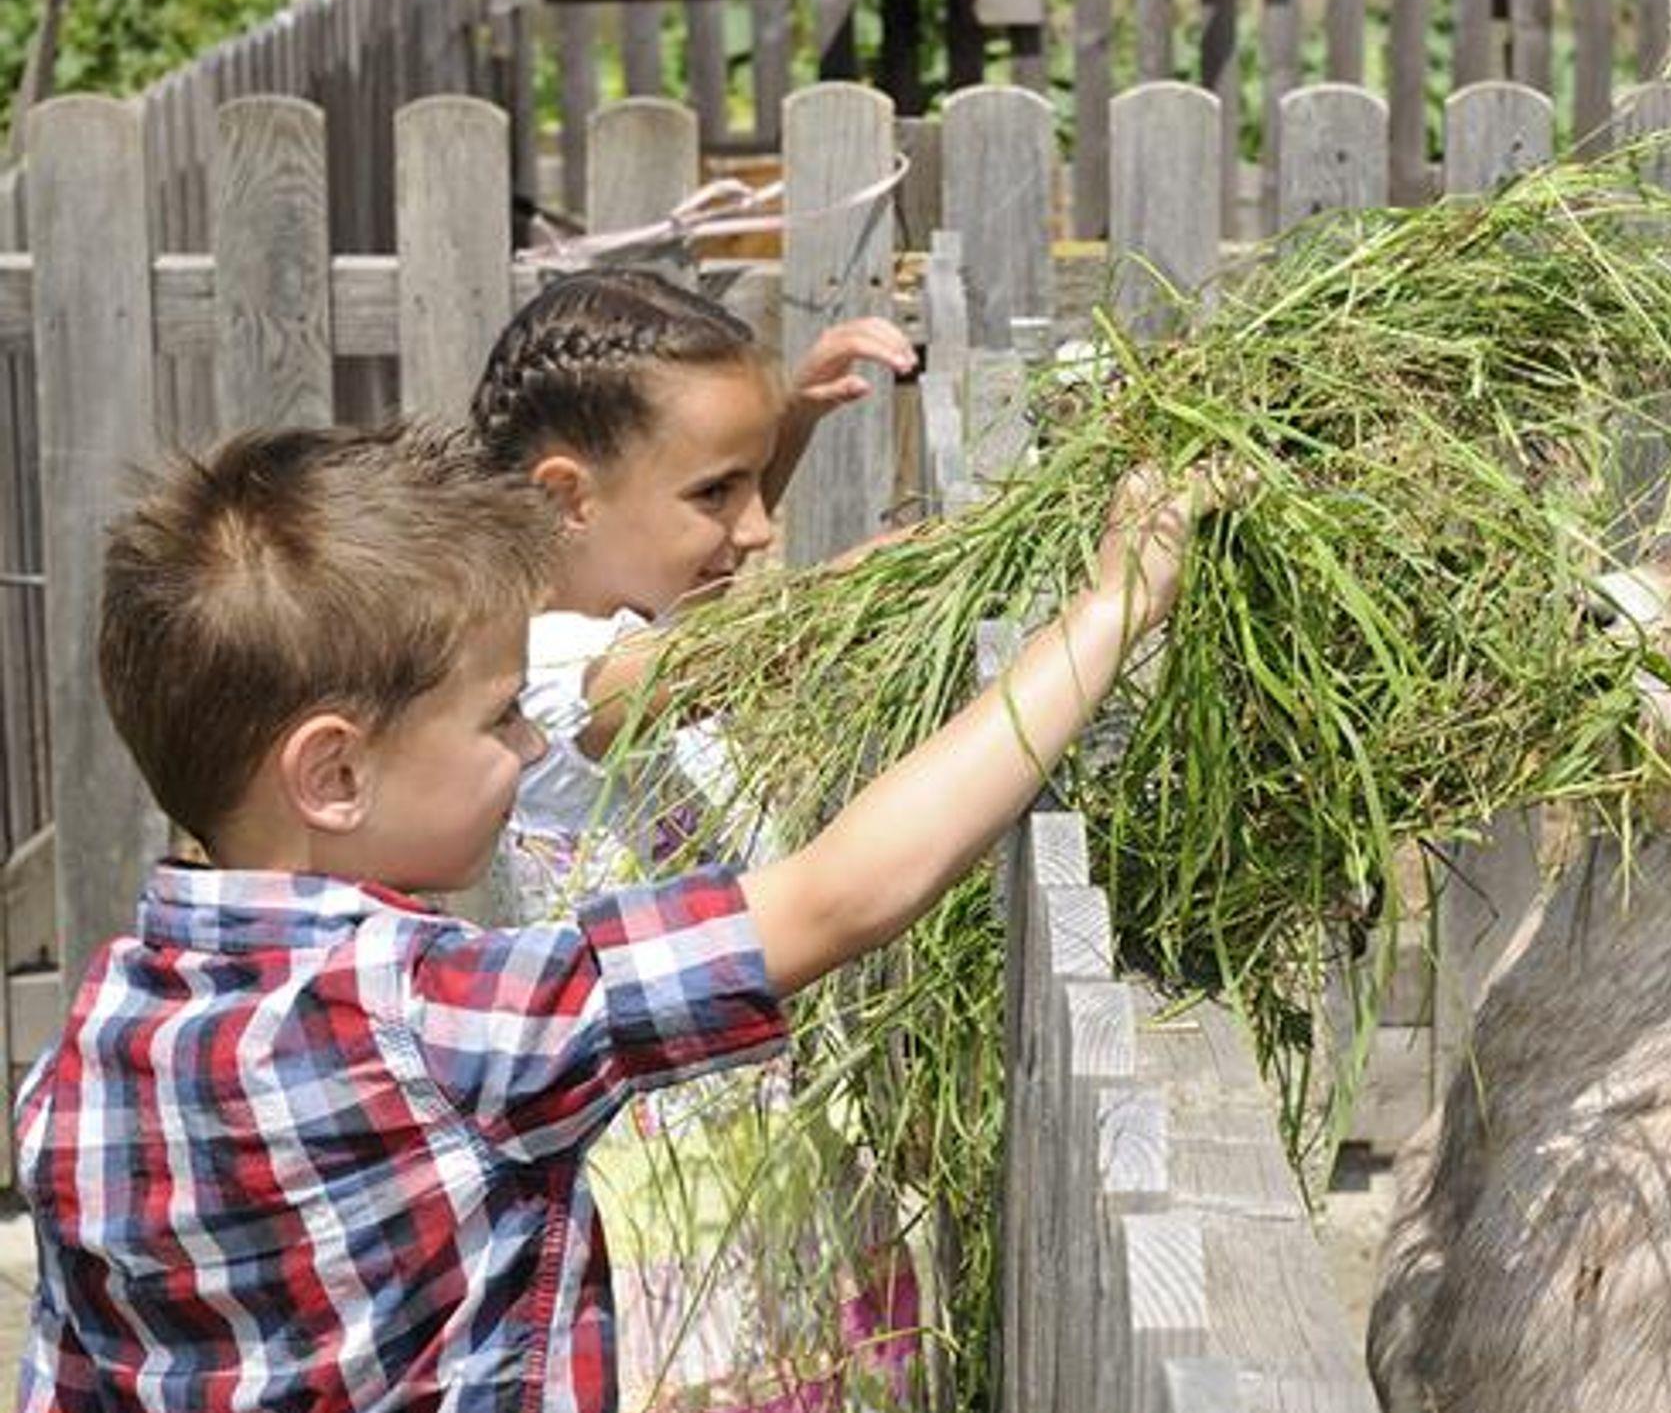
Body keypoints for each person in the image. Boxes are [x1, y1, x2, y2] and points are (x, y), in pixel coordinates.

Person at [16, 417, 1205, 1413]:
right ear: (333, 773)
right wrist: (1109, 611)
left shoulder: (81, 1058)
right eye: (499, 718)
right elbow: (840, 892)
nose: (533, 744)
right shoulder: (441, 1023)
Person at [472, 272, 923, 1407]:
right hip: (668, 1187)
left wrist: (785, 432)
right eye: (719, 491)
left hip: (760, 1134)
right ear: (567, 499)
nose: (758, 529)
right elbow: (697, 666)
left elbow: (687, 592)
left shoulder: (623, 609)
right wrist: (874, 588)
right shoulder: (542, 670)